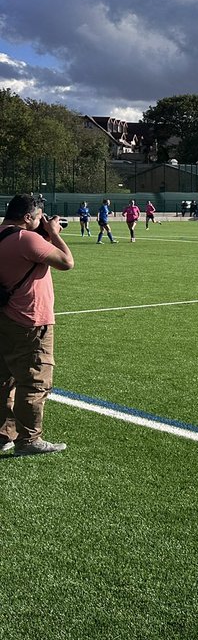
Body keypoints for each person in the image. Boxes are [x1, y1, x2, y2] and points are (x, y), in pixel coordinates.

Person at [0, 194, 74, 456]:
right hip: (30, 320)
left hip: (4, 318)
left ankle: (3, 434)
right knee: (34, 380)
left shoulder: (4, 235)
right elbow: (66, 262)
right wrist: (54, 233)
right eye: (40, 216)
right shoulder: (26, 239)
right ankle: (29, 439)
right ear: (28, 217)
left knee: (4, 379)